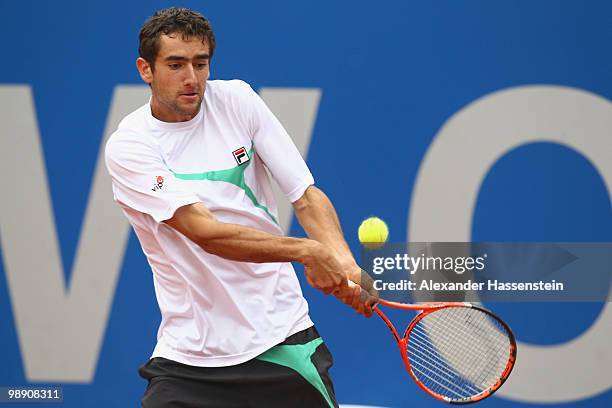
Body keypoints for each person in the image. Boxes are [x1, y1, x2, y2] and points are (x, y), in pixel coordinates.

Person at [105, 7, 376, 408]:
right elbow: (206, 234)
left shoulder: (237, 100)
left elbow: (305, 194)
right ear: (146, 69)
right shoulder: (131, 146)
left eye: (201, 64)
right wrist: (308, 251)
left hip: (282, 343)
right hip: (188, 360)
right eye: (176, 65)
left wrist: (344, 263)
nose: (191, 78)